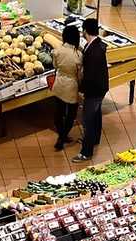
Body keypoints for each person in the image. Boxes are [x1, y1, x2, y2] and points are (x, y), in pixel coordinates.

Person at [74, 17, 108, 163]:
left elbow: (90, 76)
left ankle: (86, 152)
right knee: (96, 114)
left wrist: (82, 89)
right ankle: (95, 139)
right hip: (101, 88)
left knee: (88, 119)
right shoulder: (97, 45)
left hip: (94, 90)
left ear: (85, 31)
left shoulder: (93, 52)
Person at [51, 24, 83, 152]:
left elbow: (55, 66)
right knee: (71, 114)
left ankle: (61, 135)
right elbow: (79, 73)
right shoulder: (78, 55)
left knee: (58, 112)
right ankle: (63, 136)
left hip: (59, 83)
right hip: (72, 85)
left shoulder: (57, 51)